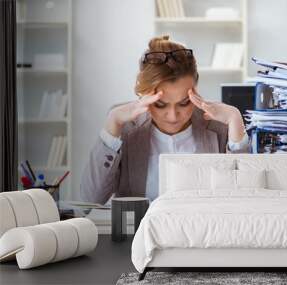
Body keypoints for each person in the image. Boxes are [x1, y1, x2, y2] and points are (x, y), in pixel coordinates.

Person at [80, 35, 249, 204]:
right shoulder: (125, 127)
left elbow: (243, 199)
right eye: (160, 104)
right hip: (141, 230)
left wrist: (235, 119)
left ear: (196, 89)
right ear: (145, 94)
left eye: (184, 103)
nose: (173, 116)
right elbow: (91, 200)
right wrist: (113, 122)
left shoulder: (217, 126)